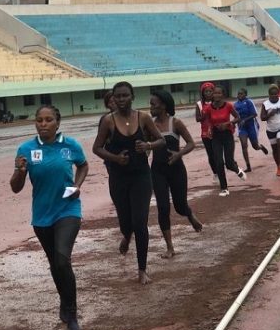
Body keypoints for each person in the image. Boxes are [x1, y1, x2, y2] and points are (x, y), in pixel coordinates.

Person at [10, 105, 89, 330]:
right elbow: (16, 188)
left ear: (58, 123)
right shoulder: (26, 149)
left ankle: (72, 315)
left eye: (48, 120)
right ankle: (64, 302)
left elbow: (83, 165)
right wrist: (19, 170)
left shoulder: (70, 145)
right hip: (42, 215)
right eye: (39, 120)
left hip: (68, 209)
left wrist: (77, 185)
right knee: (55, 263)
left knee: (63, 259)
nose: (43, 124)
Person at [93, 81, 165, 285]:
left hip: (141, 176)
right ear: (113, 99)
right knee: (126, 222)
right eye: (118, 96)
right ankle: (126, 235)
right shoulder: (108, 121)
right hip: (118, 178)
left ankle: (142, 270)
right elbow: (96, 148)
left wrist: (148, 145)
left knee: (140, 222)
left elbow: (161, 140)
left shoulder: (143, 118)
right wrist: (115, 159)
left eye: (125, 95)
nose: (122, 99)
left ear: (132, 96)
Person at [149, 91, 202, 258]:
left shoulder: (176, 123)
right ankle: (170, 247)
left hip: (177, 169)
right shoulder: (149, 125)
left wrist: (178, 154)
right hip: (157, 171)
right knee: (163, 207)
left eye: (153, 104)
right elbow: (146, 148)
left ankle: (189, 214)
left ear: (164, 105)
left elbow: (191, 143)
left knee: (179, 206)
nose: (150, 108)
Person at [201, 85, 246, 197]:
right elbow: (207, 121)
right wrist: (210, 129)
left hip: (227, 135)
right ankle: (224, 188)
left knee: (229, 162)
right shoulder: (209, 108)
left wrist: (228, 124)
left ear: (223, 95)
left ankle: (237, 170)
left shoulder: (228, 106)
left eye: (219, 93)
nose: (216, 95)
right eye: (214, 93)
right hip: (216, 136)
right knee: (219, 162)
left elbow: (237, 118)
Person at [233, 88, 269, 172]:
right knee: (244, 145)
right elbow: (235, 116)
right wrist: (234, 123)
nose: (239, 95)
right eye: (238, 94)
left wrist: (245, 120)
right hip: (242, 128)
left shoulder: (249, 102)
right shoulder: (235, 105)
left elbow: (254, 114)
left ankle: (260, 147)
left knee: (255, 146)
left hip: (251, 126)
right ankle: (248, 166)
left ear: (245, 94)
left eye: (241, 94)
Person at [195, 81, 218, 183]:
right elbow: (197, 118)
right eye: (206, 91)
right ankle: (215, 173)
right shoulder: (199, 104)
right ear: (203, 93)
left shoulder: (217, 102)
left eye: (210, 91)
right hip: (205, 133)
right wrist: (204, 115)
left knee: (217, 153)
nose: (208, 93)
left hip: (216, 131)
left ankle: (220, 170)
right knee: (211, 154)